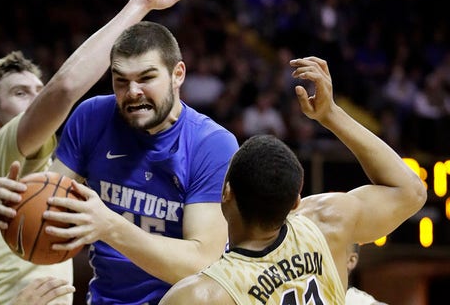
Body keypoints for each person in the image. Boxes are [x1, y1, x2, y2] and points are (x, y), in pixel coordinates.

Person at [0, 0, 193, 304]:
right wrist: (140, 5)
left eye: (39, 90)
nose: (37, 101)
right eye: (21, 93)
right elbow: (63, 89)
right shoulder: (1, 152)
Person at [0, 20, 240, 304]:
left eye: (146, 78)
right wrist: (15, 205)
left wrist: (110, 226)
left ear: (177, 74)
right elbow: (50, 207)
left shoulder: (213, 143)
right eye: (121, 80)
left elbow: (201, 264)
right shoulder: (92, 116)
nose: (133, 91)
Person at [157, 56, 427, 304]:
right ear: (296, 201)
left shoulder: (201, 294)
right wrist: (330, 114)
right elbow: (412, 190)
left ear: (226, 192)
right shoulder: (326, 223)